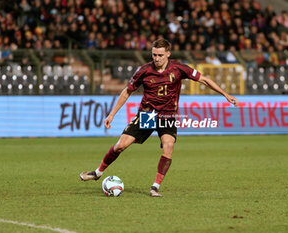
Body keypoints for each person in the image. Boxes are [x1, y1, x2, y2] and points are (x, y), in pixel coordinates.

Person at [80, 38, 238, 197]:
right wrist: (112, 114)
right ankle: (98, 172)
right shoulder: (144, 70)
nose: (156, 58)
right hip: (147, 115)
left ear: (168, 54)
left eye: (160, 55)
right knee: (121, 145)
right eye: (154, 55)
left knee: (168, 146)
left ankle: (155, 186)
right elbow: (127, 91)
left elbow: (204, 79)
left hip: (167, 115)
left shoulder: (178, 68)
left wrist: (225, 94)